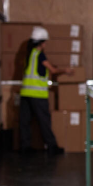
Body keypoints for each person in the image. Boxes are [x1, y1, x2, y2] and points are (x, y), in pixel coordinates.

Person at [19, 27, 73, 155]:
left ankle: (25, 148)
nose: (45, 45)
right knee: (44, 121)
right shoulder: (40, 54)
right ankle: (52, 147)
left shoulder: (29, 54)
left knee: (25, 122)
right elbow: (52, 70)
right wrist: (66, 71)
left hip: (25, 93)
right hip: (37, 94)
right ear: (42, 42)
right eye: (45, 42)